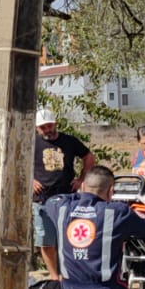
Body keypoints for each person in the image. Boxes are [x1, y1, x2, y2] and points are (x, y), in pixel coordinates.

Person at [32, 108, 97, 275]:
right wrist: (30, 181)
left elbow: (89, 157)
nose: (47, 130)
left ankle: (70, 274)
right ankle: (55, 278)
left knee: (71, 239)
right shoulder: (32, 143)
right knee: (47, 241)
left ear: (55, 124)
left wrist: (82, 179)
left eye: (49, 125)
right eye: (43, 127)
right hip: (42, 199)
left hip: (67, 199)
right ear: (37, 128)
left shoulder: (69, 141)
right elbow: (19, 162)